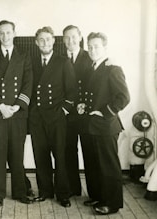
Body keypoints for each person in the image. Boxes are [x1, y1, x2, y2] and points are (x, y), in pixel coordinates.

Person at [0, 15, 35, 197]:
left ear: (14, 33)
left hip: (17, 114)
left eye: (8, 32)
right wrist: (0, 105)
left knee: (17, 156)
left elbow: (28, 83)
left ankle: (19, 193)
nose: (5, 36)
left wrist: (17, 106)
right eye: (1, 33)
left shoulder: (24, 56)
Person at [79, 32, 130, 215]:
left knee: (108, 166)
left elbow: (123, 97)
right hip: (91, 126)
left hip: (106, 126)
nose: (92, 50)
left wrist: (104, 112)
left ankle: (112, 203)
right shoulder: (91, 67)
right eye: (90, 47)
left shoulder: (112, 68)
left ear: (105, 48)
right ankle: (99, 196)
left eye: (96, 47)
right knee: (93, 164)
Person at [29, 26, 77, 208]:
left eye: (48, 39)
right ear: (36, 42)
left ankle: (63, 193)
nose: (45, 43)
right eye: (41, 40)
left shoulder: (63, 61)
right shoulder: (31, 61)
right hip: (37, 118)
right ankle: (45, 191)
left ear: (53, 41)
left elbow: (72, 92)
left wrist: (63, 111)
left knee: (60, 156)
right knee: (40, 155)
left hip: (56, 117)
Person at [62, 25, 93, 197]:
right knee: (68, 152)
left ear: (80, 37)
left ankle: (93, 192)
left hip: (85, 115)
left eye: (74, 37)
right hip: (67, 115)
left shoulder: (90, 57)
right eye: (67, 37)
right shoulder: (59, 59)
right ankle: (73, 189)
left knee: (89, 153)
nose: (70, 41)